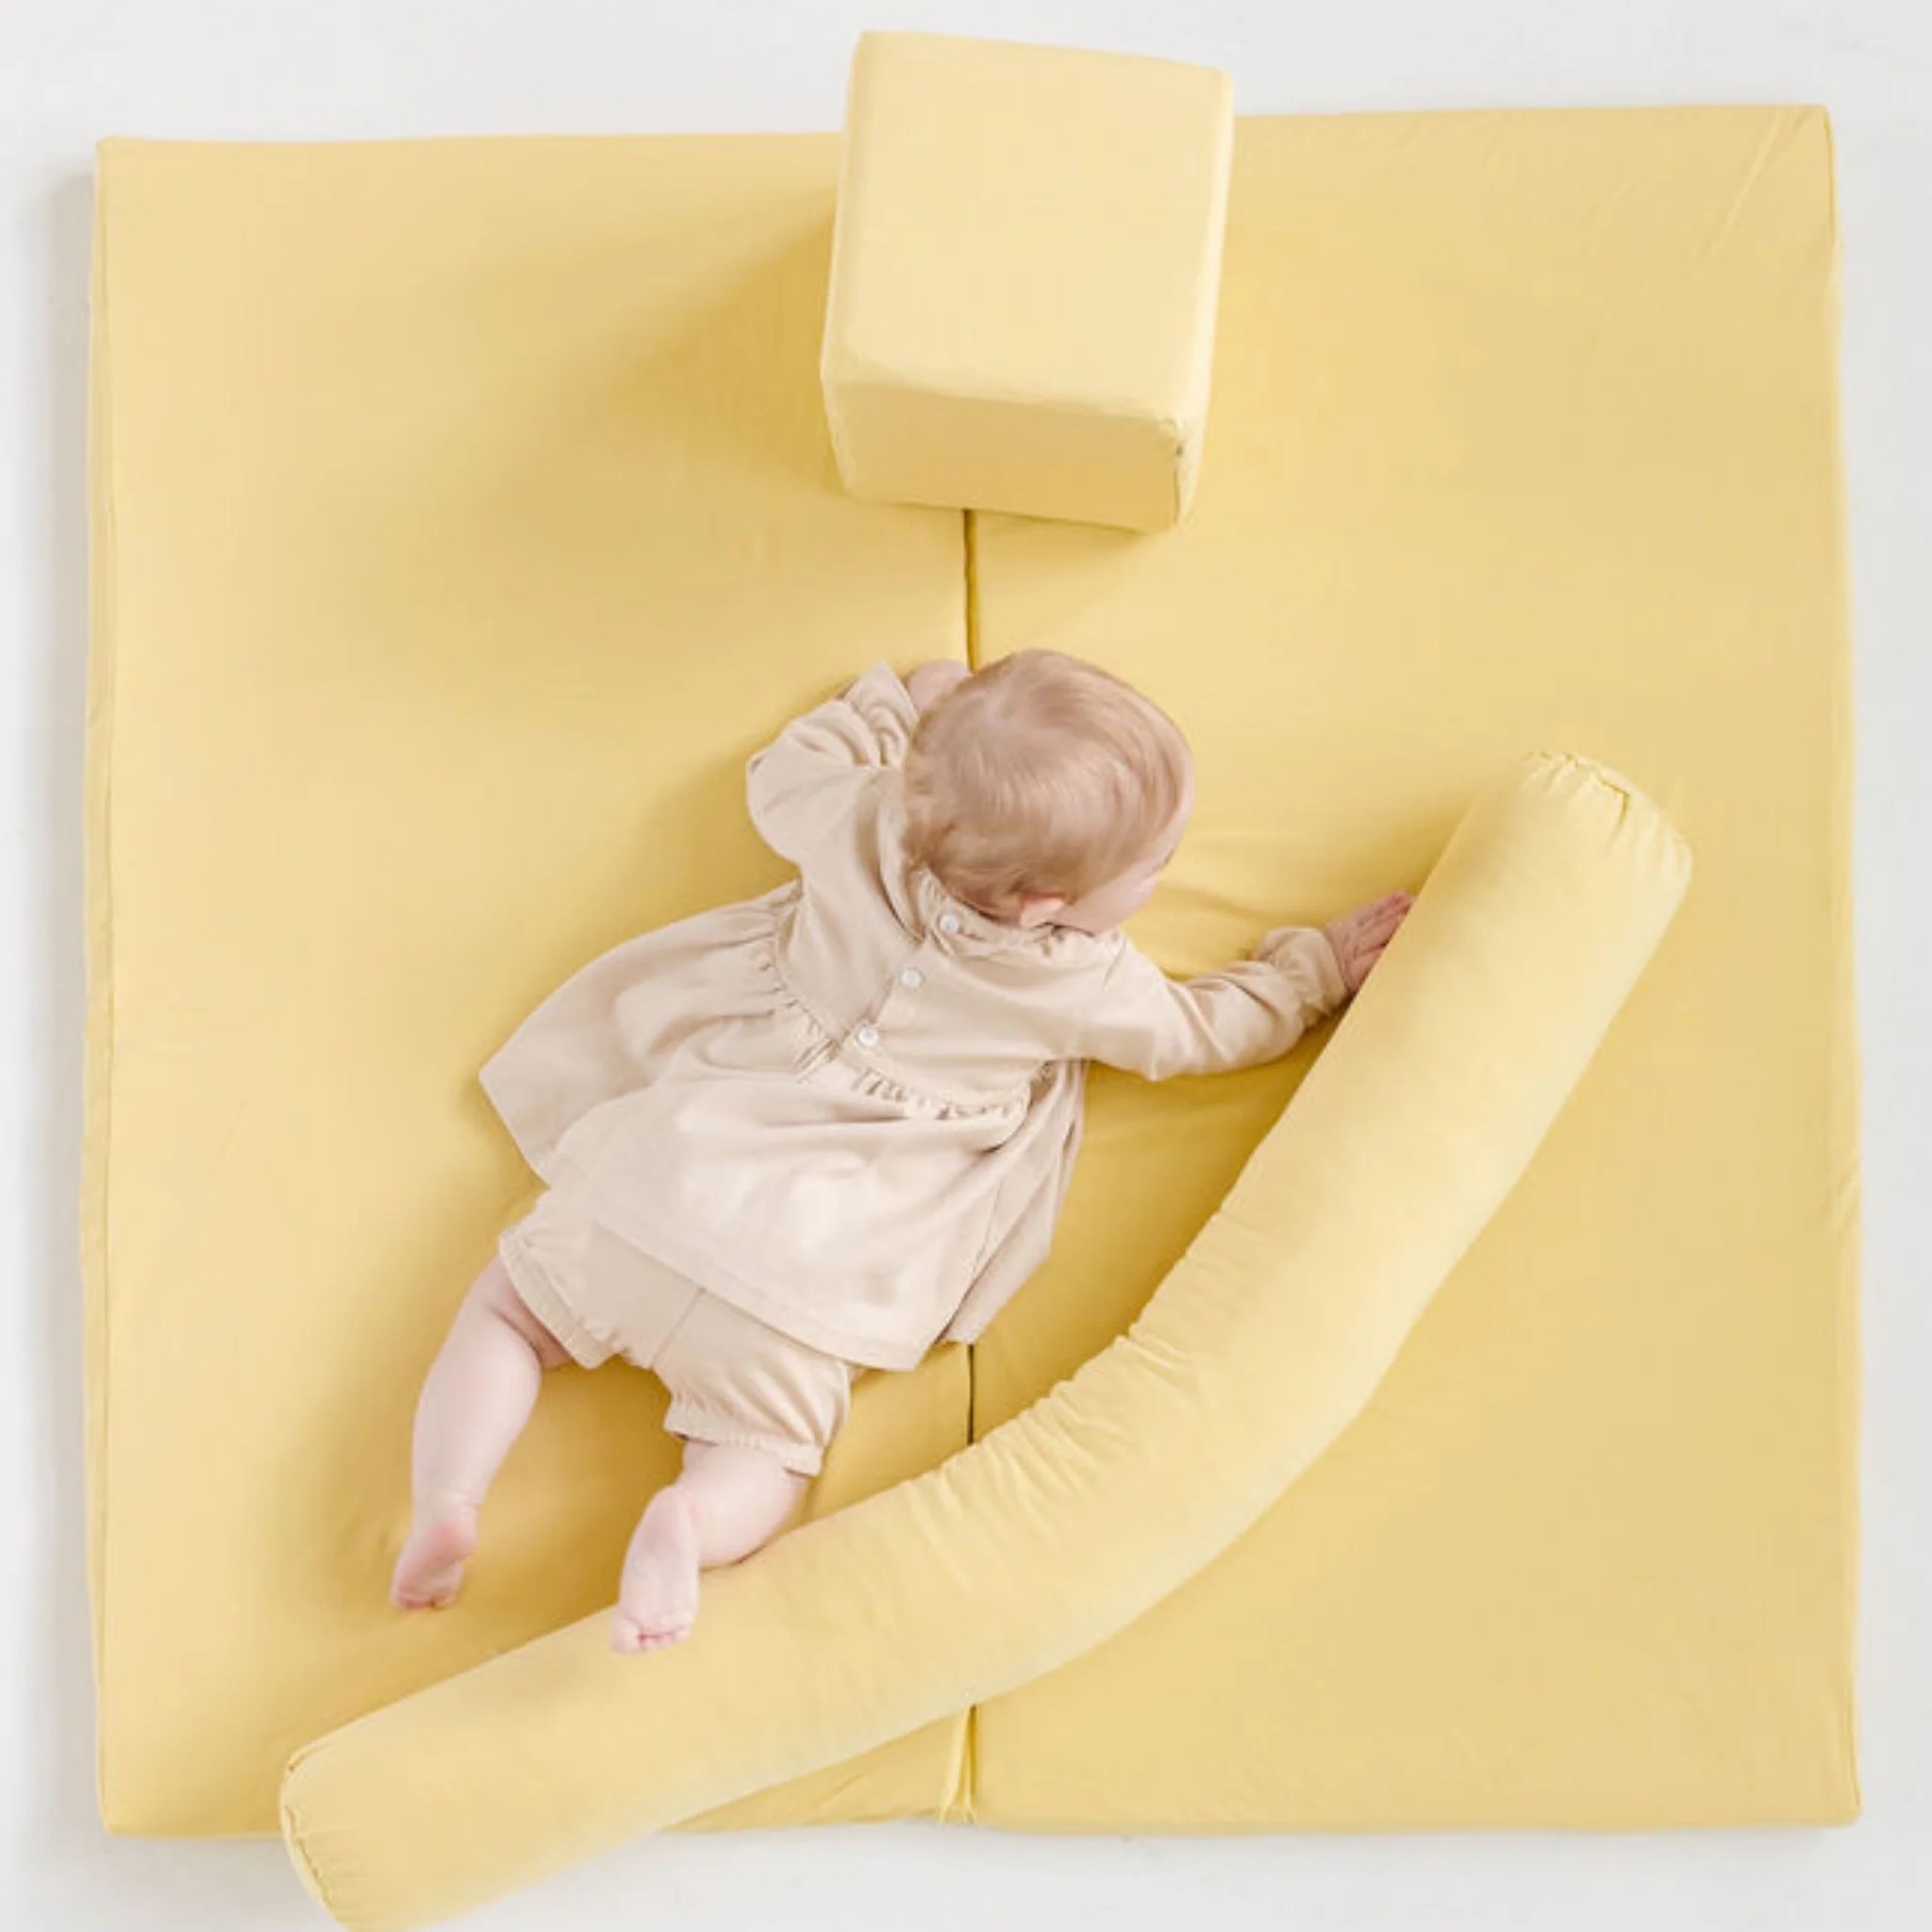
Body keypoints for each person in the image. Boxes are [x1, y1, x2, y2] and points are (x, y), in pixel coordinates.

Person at [391, 652, 1411, 1650]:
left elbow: (781, 771)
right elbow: (1205, 1034)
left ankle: (448, 1495)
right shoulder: (1083, 982)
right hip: (807, 1280)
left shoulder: (861, 818)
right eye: (1151, 868)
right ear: (1043, 909)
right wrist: (1312, 965)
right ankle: (690, 1524)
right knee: (761, 1455)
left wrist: (897, 700)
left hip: (663, 1183)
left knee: (506, 1317)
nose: (1160, 877)